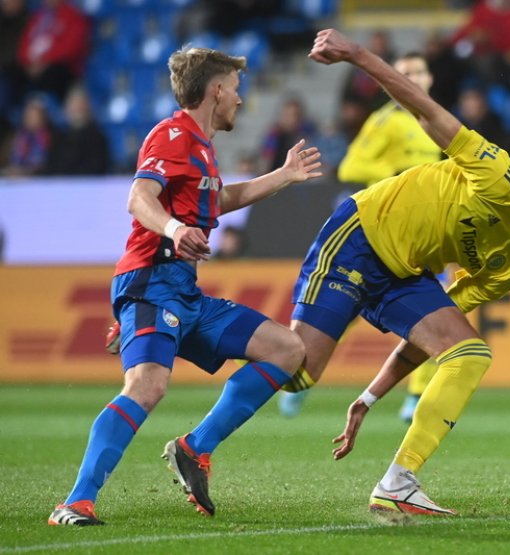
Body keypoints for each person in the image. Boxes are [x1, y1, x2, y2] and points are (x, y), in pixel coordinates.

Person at [286, 29, 510, 517]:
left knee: (468, 353)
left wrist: (371, 395)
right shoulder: (501, 178)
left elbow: (429, 334)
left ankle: (398, 481)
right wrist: (357, 55)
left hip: (403, 271)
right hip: (364, 230)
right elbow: (426, 112)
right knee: (296, 372)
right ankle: (189, 326)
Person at [48, 46, 322, 526]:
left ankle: (194, 449)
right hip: (151, 282)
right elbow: (138, 197)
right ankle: (75, 502)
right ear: (215, 90)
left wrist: (283, 176)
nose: (241, 97)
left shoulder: (201, 147)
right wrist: (174, 230)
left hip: (183, 292)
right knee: (148, 386)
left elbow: (219, 199)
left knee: (286, 348)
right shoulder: (173, 135)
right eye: (235, 89)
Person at [278, 51, 444, 421]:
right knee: (344, 312)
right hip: (380, 229)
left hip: (423, 233)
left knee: (437, 308)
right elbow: (352, 164)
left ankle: (416, 397)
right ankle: (300, 378)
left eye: (418, 71)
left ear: (430, 78)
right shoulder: (384, 121)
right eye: (404, 73)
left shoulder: (435, 120)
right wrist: (397, 169)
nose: (413, 78)